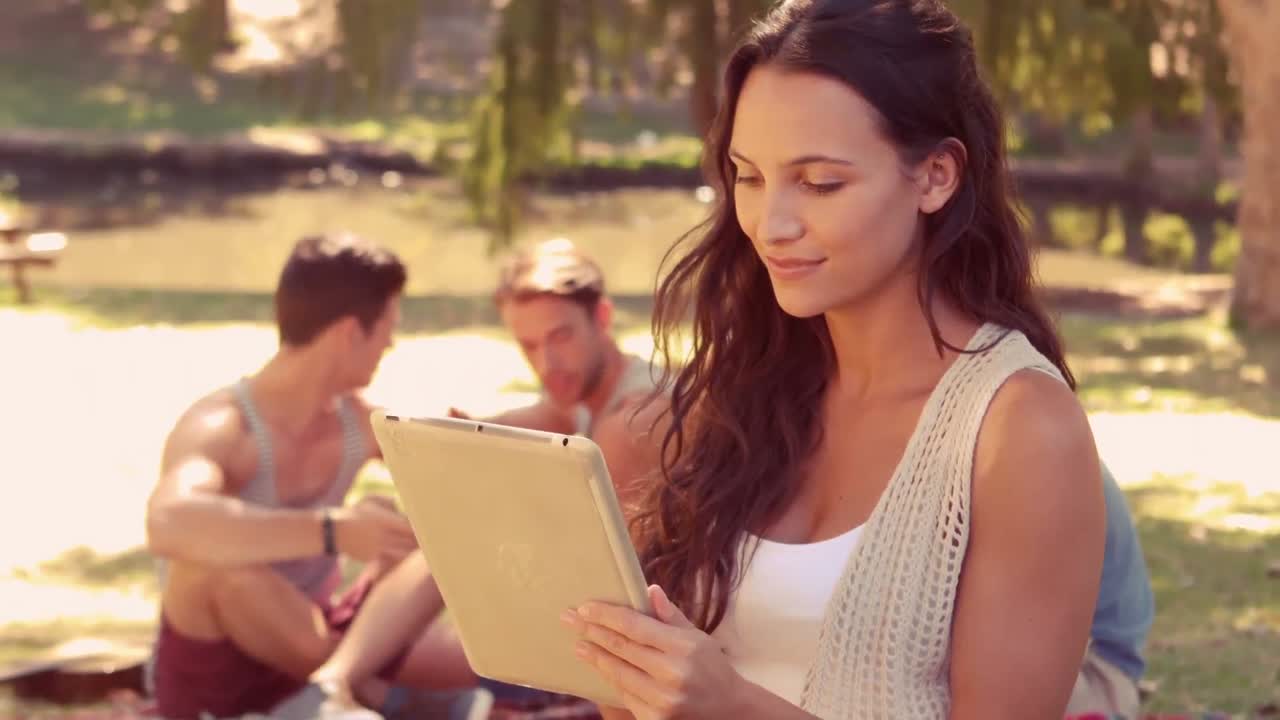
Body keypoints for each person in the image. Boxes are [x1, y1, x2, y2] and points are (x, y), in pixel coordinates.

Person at [557, 1, 1120, 718]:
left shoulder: (1017, 430)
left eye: (820, 183)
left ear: (936, 176)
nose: (771, 224)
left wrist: (729, 706)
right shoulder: (743, 391)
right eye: (748, 177)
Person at [301, 239, 664, 718]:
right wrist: (462, 432)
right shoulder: (589, 394)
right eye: (529, 346)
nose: (546, 364)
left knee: (394, 643)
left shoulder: (630, 420)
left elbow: (603, 583)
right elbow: (540, 414)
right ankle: (348, 687)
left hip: (621, 656)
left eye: (561, 337)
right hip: (595, 637)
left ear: (602, 317)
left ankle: (347, 687)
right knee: (384, 640)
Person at [144, 233, 478, 719]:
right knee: (212, 566)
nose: (391, 342)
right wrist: (335, 531)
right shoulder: (225, 427)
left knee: (436, 536)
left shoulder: (360, 424)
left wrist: (468, 452)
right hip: (218, 670)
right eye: (388, 325)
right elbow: (169, 522)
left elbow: (465, 487)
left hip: (318, 647)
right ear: (349, 332)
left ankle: (342, 686)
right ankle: (371, 696)